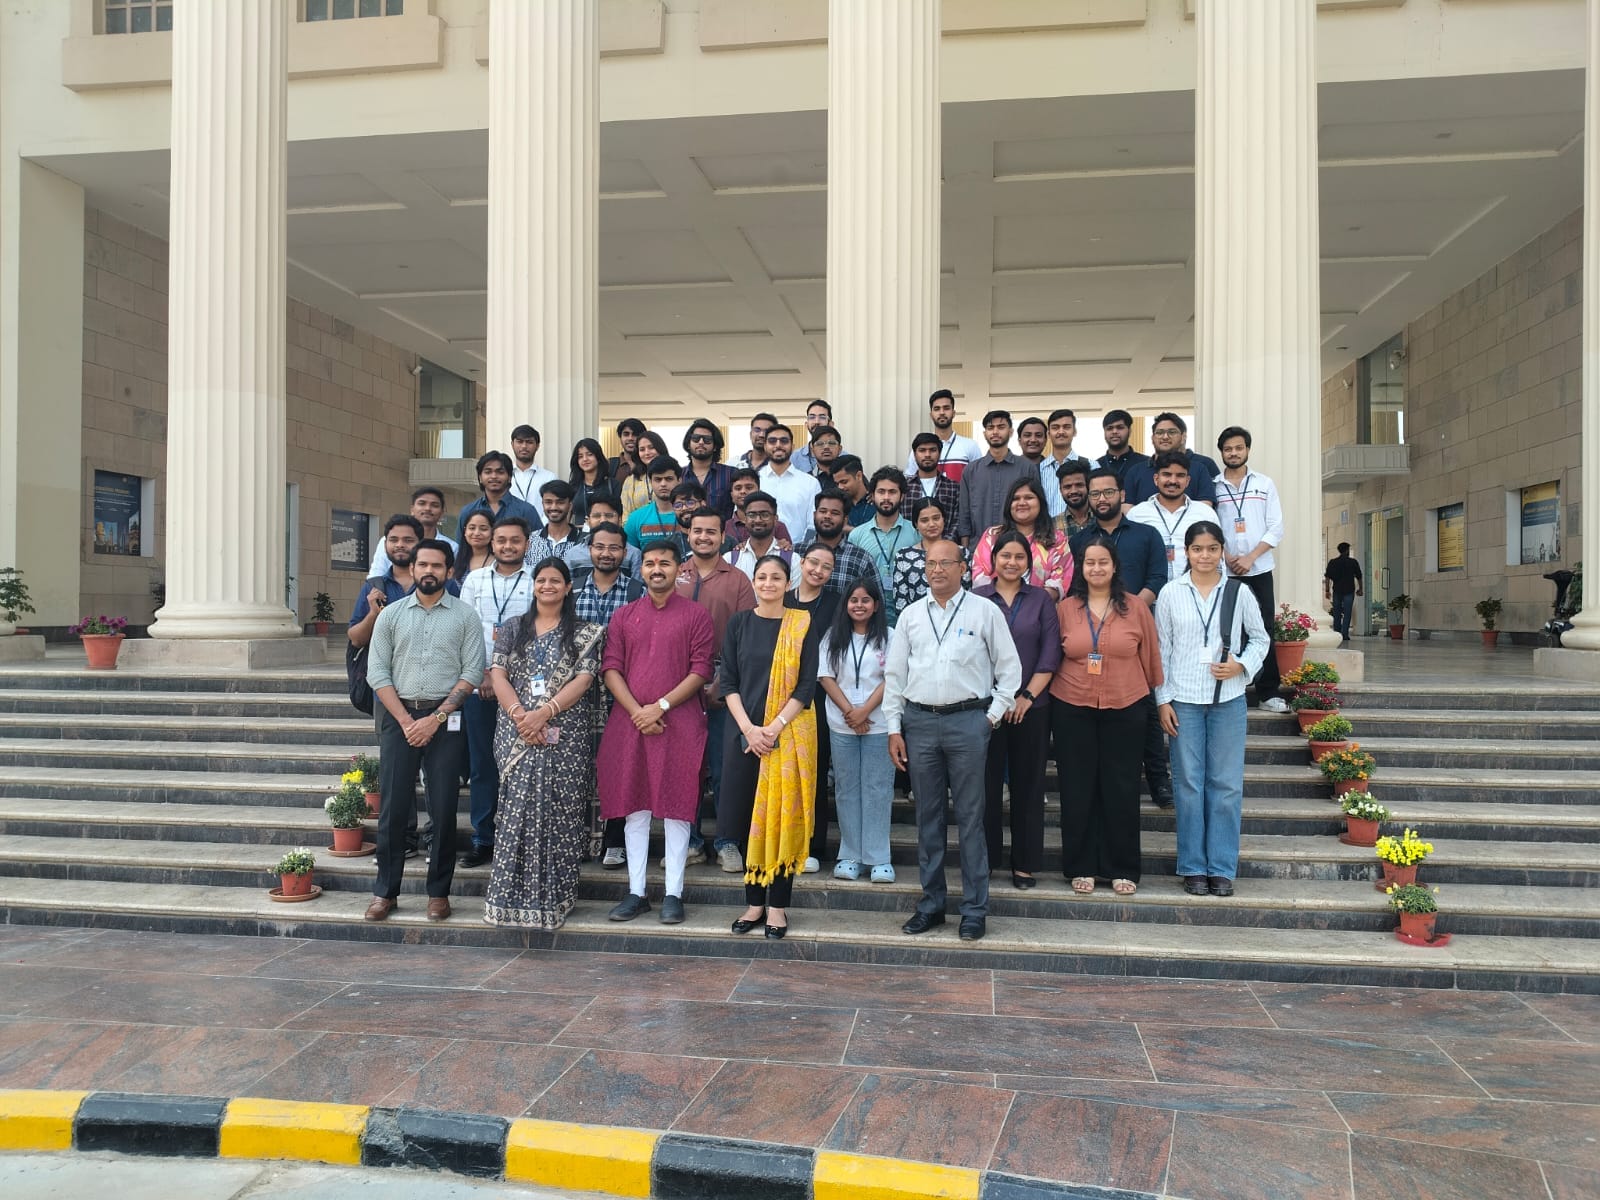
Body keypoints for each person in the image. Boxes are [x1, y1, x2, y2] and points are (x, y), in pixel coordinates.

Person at [885, 541, 1021, 942]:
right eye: (931, 563)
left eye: (946, 562)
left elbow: (1010, 670)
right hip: (920, 722)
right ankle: (931, 905)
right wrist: (894, 727)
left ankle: (974, 910)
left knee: (971, 820)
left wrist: (990, 718)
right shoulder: (910, 615)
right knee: (928, 819)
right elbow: (894, 678)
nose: (938, 569)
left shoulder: (984, 611)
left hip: (968, 722)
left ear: (963, 567)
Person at [364, 538, 485, 923]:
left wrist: (433, 720)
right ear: (412, 570)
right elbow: (377, 673)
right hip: (398, 716)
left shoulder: (465, 616)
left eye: (437, 565)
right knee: (394, 810)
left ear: (450, 571)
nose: (429, 571)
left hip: (445, 720)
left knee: (444, 807)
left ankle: (439, 893)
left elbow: (472, 673)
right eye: (423, 565)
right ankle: (386, 892)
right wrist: (405, 722)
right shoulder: (391, 616)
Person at [483, 557, 604, 929]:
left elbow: (584, 681)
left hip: (565, 734)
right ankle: (505, 901)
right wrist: (522, 715)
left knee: (559, 814)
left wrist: (545, 712)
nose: (547, 586)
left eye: (556, 581)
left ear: (568, 588)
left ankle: (555, 900)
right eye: (541, 580)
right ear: (533, 586)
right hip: (516, 730)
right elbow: (498, 674)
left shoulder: (586, 632)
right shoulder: (512, 629)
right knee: (515, 812)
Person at [599, 539, 715, 923]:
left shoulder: (696, 615)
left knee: (677, 807)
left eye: (664, 562)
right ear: (641, 569)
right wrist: (638, 712)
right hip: (630, 723)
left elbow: (701, 669)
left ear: (678, 568)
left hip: (679, 722)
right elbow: (611, 668)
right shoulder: (624, 616)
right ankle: (636, 892)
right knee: (636, 808)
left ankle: (673, 894)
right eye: (649, 563)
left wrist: (659, 707)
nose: (656, 569)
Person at [1156, 521, 1269, 898]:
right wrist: (1163, 700)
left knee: (1225, 785)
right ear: (1186, 553)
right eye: (1197, 549)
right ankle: (1192, 867)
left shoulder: (1239, 592)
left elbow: (1261, 637)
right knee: (1188, 785)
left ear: (1222, 551)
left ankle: (1221, 867)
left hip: (1228, 699)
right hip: (1184, 701)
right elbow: (1161, 651)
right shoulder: (1171, 593)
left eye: (1212, 548)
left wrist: (1242, 665)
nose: (1204, 556)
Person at [1053, 536, 1163, 896]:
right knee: (1077, 787)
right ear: (1081, 569)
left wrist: (1154, 699)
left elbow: (1150, 658)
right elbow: (1053, 655)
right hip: (1072, 704)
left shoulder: (1136, 608)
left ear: (1115, 566)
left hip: (1126, 703)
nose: (1096, 568)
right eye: (1089, 563)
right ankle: (1081, 864)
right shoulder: (1066, 608)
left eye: (1103, 562)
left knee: (1122, 787)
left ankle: (1122, 866)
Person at [721, 555, 821, 939]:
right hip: (745, 738)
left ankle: (777, 907)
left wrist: (774, 727)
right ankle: (753, 904)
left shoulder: (801, 624)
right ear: (754, 581)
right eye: (761, 577)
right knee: (750, 821)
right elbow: (728, 680)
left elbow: (806, 685)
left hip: (788, 737)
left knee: (782, 820)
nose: (767, 583)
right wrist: (750, 729)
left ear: (787, 582)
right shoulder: (739, 623)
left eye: (775, 577)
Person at [1070, 467, 1172, 809]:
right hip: (1092, 638)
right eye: (1095, 494)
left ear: (1122, 494)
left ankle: (1159, 781)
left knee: (1143, 708)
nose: (1101, 499)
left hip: (1134, 634)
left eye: (1108, 493)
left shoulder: (1147, 535)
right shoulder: (1080, 541)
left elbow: (1158, 577)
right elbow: (1076, 587)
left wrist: (1126, 611)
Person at [975, 531, 1061, 890]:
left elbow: (1050, 654)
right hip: (987, 708)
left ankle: (1024, 863)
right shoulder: (977, 598)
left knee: (1028, 786)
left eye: (1019, 557)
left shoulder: (1041, 600)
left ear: (1029, 563)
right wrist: (1000, 700)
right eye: (1005, 556)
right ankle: (988, 858)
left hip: (1032, 706)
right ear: (993, 560)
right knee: (986, 787)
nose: (1011, 562)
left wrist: (1024, 696)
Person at [678, 507, 757, 872]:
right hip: (678, 690)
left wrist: (723, 683)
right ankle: (689, 842)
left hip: (725, 686)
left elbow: (746, 636)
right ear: (688, 534)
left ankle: (728, 841)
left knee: (727, 769)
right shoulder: (676, 573)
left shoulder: (738, 579)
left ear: (722, 536)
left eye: (711, 531)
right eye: (698, 531)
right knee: (686, 767)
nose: (704, 537)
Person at [457, 514, 535, 869]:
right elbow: (467, 630)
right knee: (482, 764)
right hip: (480, 687)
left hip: (524, 690)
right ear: (492, 543)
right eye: (501, 540)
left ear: (526, 543)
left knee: (523, 765)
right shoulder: (474, 579)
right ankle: (483, 837)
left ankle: (518, 837)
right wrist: (485, 674)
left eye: (514, 540)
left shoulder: (538, 579)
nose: (507, 546)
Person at [572, 520, 645, 868]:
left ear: (625, 552)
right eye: (600, 546)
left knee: (618, 766)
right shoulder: (570, 590)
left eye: (614, 547)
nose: (606, 553)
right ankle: (574, 836)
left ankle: (614, 840)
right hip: (574, 694)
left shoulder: (637, 592)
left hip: (622, 693)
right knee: (575, 765)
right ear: (590, 549)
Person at [816, 577, 894, 884]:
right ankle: (849, 855)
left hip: (879, 723)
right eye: (853, 600)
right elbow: (825, 677)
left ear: (876, 605)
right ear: (845, 605)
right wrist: (851, 712)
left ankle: (879, 858)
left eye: (865, 600)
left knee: (878, 788)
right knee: (847, 789)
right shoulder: (832, 637)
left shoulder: (889, 636)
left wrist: (864, 711)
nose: (859, 605)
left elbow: (893, 678)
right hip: (842, 724)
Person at [1215, 425, 1288, 710]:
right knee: (1229, 630)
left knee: (1264, 628)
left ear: (1247, 449)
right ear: (1221, 452)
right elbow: (1211, 527)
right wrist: (1228, 555)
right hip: (1226, 571)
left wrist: (1250, 557)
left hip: (1259, 569)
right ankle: (1233, 687)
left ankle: (1268, 691)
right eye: (1228, 449)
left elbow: (1275, 527)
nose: (1233, 453)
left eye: (1238, 448)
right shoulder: (1214, 486)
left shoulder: (1264, 484)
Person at [786, 541, 839, 873]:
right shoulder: (784, 598)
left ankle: (812, 844)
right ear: (802, 563)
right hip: (781, 694)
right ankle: (785, 840)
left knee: (815, 771)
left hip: (820, 694)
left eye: (826, 567)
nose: (818, 571)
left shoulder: (836, 602)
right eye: (813, 563)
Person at [970, 477, 1074, 599]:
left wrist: (1028, 608)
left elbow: (1059, 581)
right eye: (1016, 499)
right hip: (994, 609)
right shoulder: (992, 536)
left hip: (1039, 612)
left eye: (1029, 498)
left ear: (1040, 502)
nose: (1022, 503)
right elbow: (980, 576)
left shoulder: (1056, 539)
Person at [1127, 452, 1221, 582]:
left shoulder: (1205, 514)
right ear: (1156, 479)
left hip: (1194, 594)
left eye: (1180, 476)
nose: (1173, 481)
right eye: (1167, 474)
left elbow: (1219, 560)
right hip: (1150, 597)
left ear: (1188, 481)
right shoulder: (1136, 514)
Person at [847, 467, 914, 619]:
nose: (886, 497)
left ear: (902, 496)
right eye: (881, 492)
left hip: (908, 615)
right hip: (868, 615)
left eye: (892, 492)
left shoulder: (916, 533)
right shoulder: (856, 535)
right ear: (872, 495)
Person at [956, 410, 1028, 546]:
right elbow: (964, 513)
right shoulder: (971, 470)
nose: (995, 432)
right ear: (985, 434)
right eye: (990, 428)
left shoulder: (1026, 468)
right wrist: (965, 550)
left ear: (1011, 432)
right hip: (978, 548)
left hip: (1017, 546)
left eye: (1001, 427)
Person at [893, 497, 969, 615]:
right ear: (916, 524)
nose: (932, 524)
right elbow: (901, 600)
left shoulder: (961, 553)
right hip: (917, 623)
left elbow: (967, 592)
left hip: (957, 620)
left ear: (944, 519)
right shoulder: (903, 557)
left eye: (936, 518)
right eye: (924, 520)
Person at [1124, 413, 1220, 506]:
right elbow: (1127, 506)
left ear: (1183, 437)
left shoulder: (1202, 467)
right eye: (1159, 433)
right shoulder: (1135, 471)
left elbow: (1208, 504)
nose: (1165, 437)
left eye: (1172, 432)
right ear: (1152, 438)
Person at [801, 490, 874, 595]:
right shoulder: (796, 553)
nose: (827, 516)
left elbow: (876, 601)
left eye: (834, 513)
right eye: (823, 511)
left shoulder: (861, 559)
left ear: (845, 519)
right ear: (814, 515)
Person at [371, 487, 457, 576]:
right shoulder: (390, 541)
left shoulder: (453, 547)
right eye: (422, 503)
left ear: (442, 513)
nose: (427, 508)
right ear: (412, 509)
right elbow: (376, 574)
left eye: (434, 505)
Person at [759, 423, 822, 541]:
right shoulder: (756, 480)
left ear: (792, 446)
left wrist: (799, 550)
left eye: (784, 441)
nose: (778, 445)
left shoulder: (810, 483)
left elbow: (813, 524)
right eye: (772, 441)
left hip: (797, 553)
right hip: (760, 554)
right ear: (765, 446)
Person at [904, 388, 981, 483]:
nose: (942, 412)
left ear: (953, 413)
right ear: (931, 415)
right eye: (937, 409)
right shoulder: (921, 449)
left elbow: (979, 481)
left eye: (946, 408)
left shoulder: (970, 446)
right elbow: (909, 481)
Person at [459, 450, 542, 536]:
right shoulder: (468, 511)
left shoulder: (526, 511)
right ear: (480, 478)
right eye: (488, 472)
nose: (494, 476)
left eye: (500, 472)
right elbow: (461, 547)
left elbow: (540, 546)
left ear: (510, 477)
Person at [565, 492, 642, 580]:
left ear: (620, 520)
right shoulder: (573, 554)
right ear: (588, 521)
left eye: (609, 516)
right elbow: (567, 590)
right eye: (596, 516)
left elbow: (638, 590)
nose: (603, 520)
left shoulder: (633, 554)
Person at [902, 431, 962, 530]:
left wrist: (942, 544)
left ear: (939, 453)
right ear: (914, 454)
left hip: (945, 543)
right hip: (910, 543)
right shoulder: (904, 487)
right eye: (922, 450)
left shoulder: (953, 487)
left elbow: (957, 522)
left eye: (932, 450)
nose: (927, 455)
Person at [725, 490, 790, 579]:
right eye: (752, 515)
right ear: (746, 519)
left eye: (765, 515)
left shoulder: (792, 559)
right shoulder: (730, 560)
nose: (758, 520)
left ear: (775, 519)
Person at [623, 456, 683, 548]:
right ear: (651, 482)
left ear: (679, 480)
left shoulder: (691, 516)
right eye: (658, 479)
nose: (663, 484)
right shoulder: (636, 518)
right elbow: (630, 557)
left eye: (669, 479)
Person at [682, 419, 736, 519]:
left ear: (715, 446)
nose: (701, 442)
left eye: (707, 439)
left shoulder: (731, 474)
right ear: (688, 444)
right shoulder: (678, 475)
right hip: (687, 533)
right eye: (696, 438)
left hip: (722, 533)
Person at [726, 467, 794, 546]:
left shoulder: (777, 525)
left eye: (749, 487)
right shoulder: (725, 527)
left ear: (758, 490)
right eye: (738, 488)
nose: (743, 491)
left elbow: (787, 553)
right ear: (731, 494)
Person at [525, 480, 584, 564]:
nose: (554, 507)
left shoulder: (583, 542)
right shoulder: (530, 541)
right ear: (542, 504)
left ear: (570, 506)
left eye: (560, 502)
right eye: (548, 502)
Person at [1042, 408, 1085, 518]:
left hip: (1085, 530)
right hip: (1048, 533)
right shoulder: (1038, 470)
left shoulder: (1091, 465)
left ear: (1074, 431)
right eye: (1055, 427)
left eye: (1066, 427)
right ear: (1048, 433)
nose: (1061, 432)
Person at [620, 431, 669, 516]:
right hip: (637, 528)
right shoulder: (631, 480)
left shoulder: (673, 475)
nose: (647, 453)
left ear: (660, 449)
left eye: (651, 447)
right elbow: (626, 516)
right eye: (642, 449)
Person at [1095, 409, 1148, 488]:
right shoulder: (1096, 466)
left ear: (1129, 431)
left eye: (1120, 427)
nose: (1114, 431)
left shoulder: (1146, 463)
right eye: (1109, 428)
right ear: (1104, 432)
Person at [1324, 541, 1364, 643]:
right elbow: (1359, 576)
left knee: (1337, 612)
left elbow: (1328, 577)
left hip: (1337, 590)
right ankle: (1344, 634)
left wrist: (1327, 590)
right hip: (1349, 590)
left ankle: (1337, 632)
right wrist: (1360, 588)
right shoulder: (1353, 562)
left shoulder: (1333, 562)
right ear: (1346, 551)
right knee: (1347, 612)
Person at [509, 424, 558, 506]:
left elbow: (553, 507)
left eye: (529, 442)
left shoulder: (549, 478)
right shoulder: (503, 477)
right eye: (520, 442)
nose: (524, 446)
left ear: (537, 446)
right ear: (512, 444)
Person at [568, 437, 611, 522]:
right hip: (579, 533)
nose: (585, 459)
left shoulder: (612, 484)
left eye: (589, 454)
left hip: (605, 532)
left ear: (598, 457)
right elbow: (567, 515)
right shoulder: (573, 487)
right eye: (580, 456)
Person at [830, 455, 876, 529]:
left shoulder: (876, 502)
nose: (840, 487)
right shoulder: (836, 505)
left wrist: (851, 531)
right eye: (837, 483)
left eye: (844, 482)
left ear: (859, 476)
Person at [1053, 459, 1094, 540]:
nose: (1074, 491)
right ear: (1060, 490)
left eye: (1079, 485)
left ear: (1088, 486)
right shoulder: (1052, 526)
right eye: (1067, 487)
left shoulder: (1102, 519)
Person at [451, 510, 493, 583]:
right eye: (472, 528)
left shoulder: (498, 563)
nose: (476, 533)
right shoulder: (455, 557)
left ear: (492, 532)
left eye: (483, 529)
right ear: (465, 531)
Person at [796, 398, 833, 473]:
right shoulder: (794, 458)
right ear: (806, 425)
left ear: (831, 424)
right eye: (812, 417)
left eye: (822, 417)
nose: (817, 422)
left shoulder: (843, 457)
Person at [609, 417, 647, 488]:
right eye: (626, 434)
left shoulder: (649, 464)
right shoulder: (609, 465)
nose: (630, 438)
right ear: (620, 437)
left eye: (635, 434)